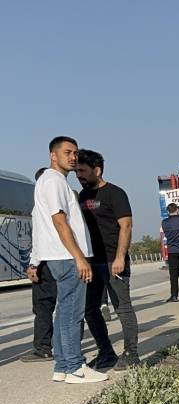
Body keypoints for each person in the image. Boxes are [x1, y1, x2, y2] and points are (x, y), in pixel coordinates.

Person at [32, 136, 107, 384]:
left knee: (63, 312)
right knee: (72, 313)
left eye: (75, 152)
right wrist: (79, 257)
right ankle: (76, 367)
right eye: (67, 152)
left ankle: (63, 366)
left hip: (60, 255)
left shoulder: (51, 181)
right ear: (53, 156)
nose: (73, 157)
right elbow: (59, 220)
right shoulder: (53, 181)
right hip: (67, 256)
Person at [75, 149, 141, 370]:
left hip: (114, 261)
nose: (79, 175)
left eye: (83, 171)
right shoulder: (83, 196)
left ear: (97, 170)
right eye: (76, 171)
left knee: (122, 308)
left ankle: (131, 353)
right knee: (90, 309)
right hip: (92, 263)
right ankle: (106, 353)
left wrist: (120, 257)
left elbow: (126, 225)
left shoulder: (115, 193)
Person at [21, 167, 56, 362]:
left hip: (47, 262)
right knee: (69, 306)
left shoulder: (40, 208)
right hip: (67, 260)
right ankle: (71, 346)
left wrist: (33, 264)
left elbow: (40, 238)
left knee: (43, 306)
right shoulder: (66, 199)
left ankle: (43, 347)